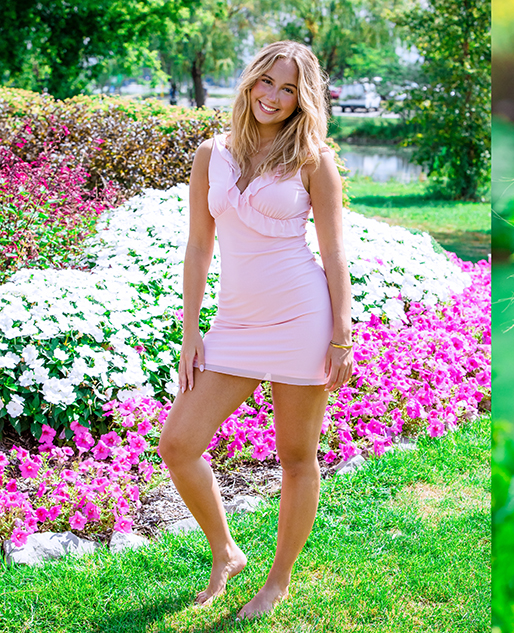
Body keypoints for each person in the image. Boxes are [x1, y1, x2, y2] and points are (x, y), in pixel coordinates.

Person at [158, 40, 352, 620]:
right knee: (178, 444)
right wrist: (191, 330)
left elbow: (335, 252)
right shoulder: (209, 154)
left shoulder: (313, 159)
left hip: (302, 317)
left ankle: (278, 580)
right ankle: (226, 552)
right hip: (235, 322)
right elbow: (198, 245)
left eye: (288, 88)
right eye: (266, 81)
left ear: (302, 98)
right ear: (249, 82)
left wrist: (342, 334)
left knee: (296, 455)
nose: (273, 96)